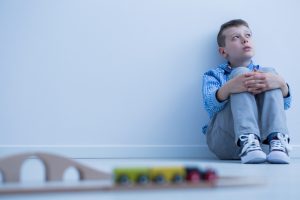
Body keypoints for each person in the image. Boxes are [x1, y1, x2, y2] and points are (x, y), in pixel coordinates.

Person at [202, 19, 292, 164]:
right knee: (240, 74)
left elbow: (285, 105)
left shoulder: (264, 74)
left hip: (263, 146)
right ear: (223, 51)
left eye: (248, 35)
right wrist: (231, 86)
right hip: (226, 142)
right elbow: (210, 106)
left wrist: (281, 84)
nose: (244, 40)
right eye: (236, 37)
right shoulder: (213, 75)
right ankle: (247, 139)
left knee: (269, 73)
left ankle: (277, 140)